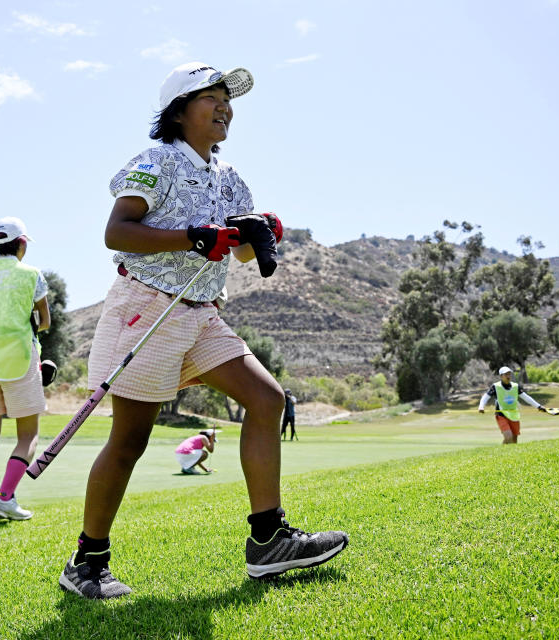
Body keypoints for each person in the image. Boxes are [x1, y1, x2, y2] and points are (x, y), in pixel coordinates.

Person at [58, 61, 349, 600]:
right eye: (211, 97)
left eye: (228, 100)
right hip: (146, 308)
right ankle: (87, 562)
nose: (225, 108)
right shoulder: (157, 161)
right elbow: (117, 233)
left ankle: (268, 541)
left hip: (201, 312)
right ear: (178, 110)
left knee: (266, 399)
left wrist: (258, 231)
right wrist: (192, 236)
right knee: (130, 440)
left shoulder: (230, 176)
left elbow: (235, 251)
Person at [0, 217, 51, 524]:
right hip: (18, 358)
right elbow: (45, 321)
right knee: (28, 435)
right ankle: (5, 498)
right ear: (22, 243)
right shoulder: (31, 274)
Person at [478, 366, 549, 445]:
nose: (508, 376)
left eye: (509, 374)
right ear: (501, 376)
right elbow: (485, 397)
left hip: (514, 414)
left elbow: (526, 398)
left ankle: (511, 455)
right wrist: (481, 406)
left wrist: (538, 406)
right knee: (508, 437)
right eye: (506, 374)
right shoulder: (495, 387)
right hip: (501, 414)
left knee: (514, 440)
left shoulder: (515, 386)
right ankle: (500, 453)